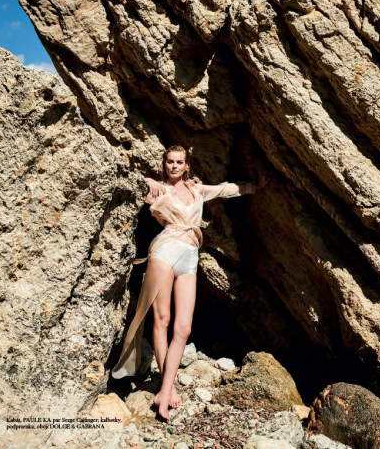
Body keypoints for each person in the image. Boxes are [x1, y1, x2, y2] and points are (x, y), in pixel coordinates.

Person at [110, 145, 268, 420]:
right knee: (162, 320)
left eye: (178, 162)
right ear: (164, 165)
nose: (173, 166)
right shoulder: (159, 189)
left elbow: (225, 189)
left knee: (183, 328)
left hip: (190, 257)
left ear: (186, 166)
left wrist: (254, 186)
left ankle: (166, 387)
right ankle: (166, 390)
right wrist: (147, 182)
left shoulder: (196, 190)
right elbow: (137, 184)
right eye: (169, 162)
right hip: (164, 252)